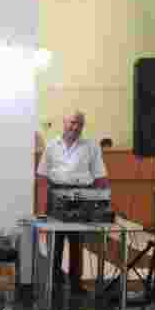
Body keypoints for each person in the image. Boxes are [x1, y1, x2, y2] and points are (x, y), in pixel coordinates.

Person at [36, 111, 108, 293]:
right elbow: (42, 176)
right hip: (56, 196)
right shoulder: (52, 145)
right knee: (56, 241)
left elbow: (100, 177)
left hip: (80, 197)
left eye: (80, 124)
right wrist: (41, 207)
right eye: (73, 123)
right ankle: (55, 281)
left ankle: (76, 283)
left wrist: (101, 204)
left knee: (76, 242)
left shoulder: (91, 147)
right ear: (65, 122)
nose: (76, 127)